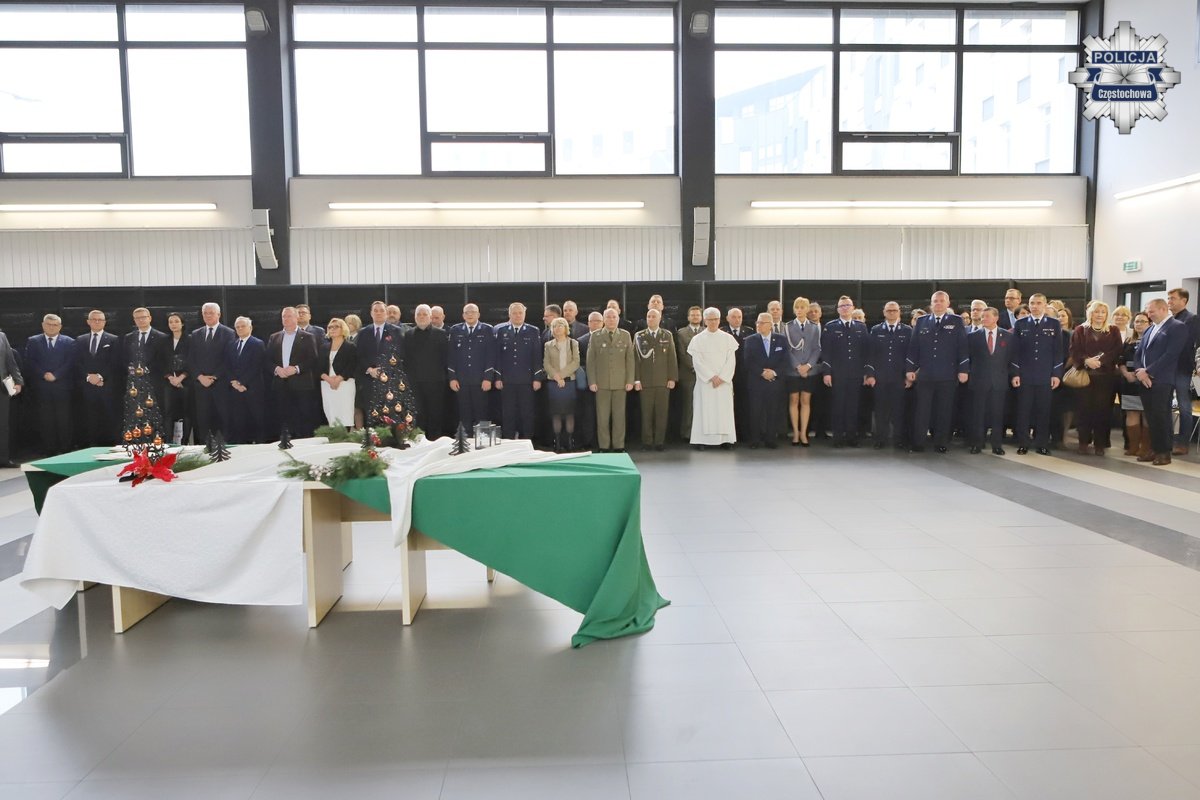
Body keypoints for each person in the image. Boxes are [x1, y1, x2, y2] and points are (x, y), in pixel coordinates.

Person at [906, 291, 969, 453]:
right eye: (935, 301)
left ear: (948, 303)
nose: (938, 303)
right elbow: (913, 347)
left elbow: (962, 347)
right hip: (925, 374)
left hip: (947, 374)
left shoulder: (956, 321)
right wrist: (910, 369)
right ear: (931, 303)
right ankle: (918, 442)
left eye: (941, 301)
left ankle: (941, 442)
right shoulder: (922, 321)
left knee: (944, 410)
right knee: (922, 410)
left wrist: (963, 370)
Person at [1135, 298, 1189, 465]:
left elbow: (1171, 354)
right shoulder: (1151, 328)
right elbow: (1139, 353)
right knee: (1151, 416)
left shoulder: (1177, 327)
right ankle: (1154, 449)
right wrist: (1139, 372)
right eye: (1148, 311)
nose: (1148, 314)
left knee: (1161, 416)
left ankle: (1164, 452)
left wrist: (1148, 371)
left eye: (1151, 311)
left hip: (1162, 379)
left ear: (1163, 309)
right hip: (1144, 379)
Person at [1010, 293, 1063, 455]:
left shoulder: (1054, 324)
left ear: (1045, 305)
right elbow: (1015, 352)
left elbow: (1058, 352)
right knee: (1023, 411)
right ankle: (1023, 443)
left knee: (1043, 411)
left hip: (1045, 375)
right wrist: (1015, 373)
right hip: (1025, 375)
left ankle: (1041, 443)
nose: (1035, 306)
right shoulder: (1021, 324)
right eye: (1032, 303)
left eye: (1039, 303)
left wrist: (1056, 374)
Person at [1069, 301, 1122, 456]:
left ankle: (1100, 444)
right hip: (1085, 376)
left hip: (1106, 377)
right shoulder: (1080, 330)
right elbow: (1074, 350)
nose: (1099, 315)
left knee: (1103, 411)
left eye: (1103, 312)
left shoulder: (1113, 330)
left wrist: (1100, 361)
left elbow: (1117, 350)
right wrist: (1086, 361)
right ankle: (1083, 442)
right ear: (1090, 313)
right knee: (1084, 410)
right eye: (1096, 311)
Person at [821, 296, 870, 447]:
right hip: (838, 373)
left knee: (853, 407)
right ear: (838, 309)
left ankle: (851, 437)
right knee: (838, 406)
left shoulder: (861, 327)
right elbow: (826, 352)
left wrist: (866, 372)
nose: (845, 308)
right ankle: (838, 438)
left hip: (855, 373)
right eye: (842, 306)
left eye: (847, 305)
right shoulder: (830, 326)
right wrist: (827, 373)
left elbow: (866, 352)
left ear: (853, 308)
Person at [688, 307, 738, 450]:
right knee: (704, 411)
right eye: (710, 319)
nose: (713, 322)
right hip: (706, 383)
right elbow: (697, 362)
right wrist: (711, 377)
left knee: (723, 411)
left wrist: (722, 378)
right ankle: (702, 441)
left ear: (719, 320)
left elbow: (731, 361)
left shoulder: (728, 339)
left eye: (716, 319)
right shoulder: (697, 340)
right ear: (705, 321)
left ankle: (725, 440)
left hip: (723, 383)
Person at [965, 308, 1013, 455]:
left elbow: (1011, 358)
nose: (983, 319)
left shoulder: (1007, 336)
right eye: (982, 316)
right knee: (978, 414)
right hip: (979, 381)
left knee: (997, 415)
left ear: (996, 318)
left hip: (999, 382)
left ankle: (996, 444)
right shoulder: (973, 336)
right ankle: (977, 444)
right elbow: (968, 358)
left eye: (987, 316)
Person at [27, 314, 76, 455]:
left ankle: (65, 448)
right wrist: (43, 374)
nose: (51, 327)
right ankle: (49, 449)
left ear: (60, 327)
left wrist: (56, 375)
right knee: (45, 419)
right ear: (43, 325)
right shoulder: (33, 341)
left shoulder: (69, 342)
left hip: (62, 386)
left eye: (55, 325)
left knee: (64, 418)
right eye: (48, 324)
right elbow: (30, 361)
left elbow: (71, 362)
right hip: (42, 386)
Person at [267, 306, 319, 440]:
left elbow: (312, 359)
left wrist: (296, 368)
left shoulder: (307, 337)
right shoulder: (274, 337)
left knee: (304, 417)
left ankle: (304, 442)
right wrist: (277, 369)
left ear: (296, 318)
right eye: (284, 316)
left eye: (289, 316)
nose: (286, 319)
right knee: (283, 416)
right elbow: (267, 360)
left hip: (302, 384)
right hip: (280, 384)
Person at [187, 302, 236, 443]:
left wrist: (214, 377)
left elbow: (229, 360)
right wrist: (200, 377)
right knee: (203, 421)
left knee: (224, 420)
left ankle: (224, 448)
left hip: (221, 385)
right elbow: (191, 359)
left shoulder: (229, 333)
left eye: (211, 313)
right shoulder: (196, 334)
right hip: (201, 386)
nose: (208, 316)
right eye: (205, 313)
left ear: (219, 314)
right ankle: (206, 448)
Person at [494, 302, 543, 440]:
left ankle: (527, 440)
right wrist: (498, 378)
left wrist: (537, 378)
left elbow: (537, 356)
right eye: (514, 313)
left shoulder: (533, 331)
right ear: (509, 315)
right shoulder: (502, 331)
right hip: (507, 380)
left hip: (526, 380)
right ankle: (509, 440)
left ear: (525, 314)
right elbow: (498, 357)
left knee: (527, 412)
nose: (518, 315)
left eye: (520, 313)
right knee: (508, 413)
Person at [865, 301, 911, 450]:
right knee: (880, 410)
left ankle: (898, 439)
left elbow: (910, 355)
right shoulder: (876, 330)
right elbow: (870, 354)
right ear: (884, 312)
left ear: (899, 312)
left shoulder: (907, 330)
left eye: (894, 310)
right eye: (889, 310)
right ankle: (880, 439)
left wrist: (908, 376)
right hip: (880, 377)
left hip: (899, 377)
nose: (892, 313)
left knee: (899, 410)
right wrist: (870, 374)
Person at [587, 308, 635, 452]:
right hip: (601, 383)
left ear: (618, 319)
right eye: (608, 317)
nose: (611, 320)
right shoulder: (596, 336)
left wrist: (630, 380)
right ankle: (604, 446)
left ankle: (619, 445)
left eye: (614, 317)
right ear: (604, 319)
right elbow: (591, 361)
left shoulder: (625, 335)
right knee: (602, 417)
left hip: (620, 383)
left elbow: (630, 359)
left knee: (619, 416)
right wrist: (592, 381)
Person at [742, 312, 788, 449]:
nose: (758, 325)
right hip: (756, 382)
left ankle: (770, 439)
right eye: (758, 322)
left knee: (773, 411)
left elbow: (785, 360)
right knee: (755, 412)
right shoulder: (750, 340)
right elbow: (748, 361)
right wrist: (762, 373)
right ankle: (755, 440)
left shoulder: (781, 340)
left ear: (770, 325)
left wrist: (774, 373)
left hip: (775, 382)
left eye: (762, 323)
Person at [75, 309, 121, 446]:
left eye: (100, 320)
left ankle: (108, 446)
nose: (97, 322)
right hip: (86, 386)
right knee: (88, 419)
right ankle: (90, 446)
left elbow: (115, 362)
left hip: (106, 387)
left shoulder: (114, 339)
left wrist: (101, 377)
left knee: (108, 418)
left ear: (105, 322)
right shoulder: (80, 340)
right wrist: (88, 377)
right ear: (88, 322)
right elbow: (77, 362)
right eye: (94, 319)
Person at [634, 308, 677, 451]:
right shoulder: (639, 336)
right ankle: (647, 441)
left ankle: (659, 442)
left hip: (662, 381)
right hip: (645, 381)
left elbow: (672, 358)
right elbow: (636, 359)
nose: (651, 319)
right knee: (646, 413)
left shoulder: (667, 335)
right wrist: (637, 379)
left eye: (653, 316)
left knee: (661, 413)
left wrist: (672, 378)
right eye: (648, 316)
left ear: (660, 319)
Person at [447, 303, 495, 430]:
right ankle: (466, 439)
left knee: (482, 413)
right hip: (461, 381)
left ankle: (482, 439)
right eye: (467, 312)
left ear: (478, 314)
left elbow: (491, 356)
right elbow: (451, 356)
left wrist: (488, 378)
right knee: (464, 414)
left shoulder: (487, 329)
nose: (470, 314)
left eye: (472, 312)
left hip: (481, 381)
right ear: (463, 315)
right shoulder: (455, 330)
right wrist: (452, 378)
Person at [357, 300, 405, 427]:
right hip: (369, 380)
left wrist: (385, 369)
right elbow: (359, 355)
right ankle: (372, 437)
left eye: (381, 310)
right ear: (371, 313)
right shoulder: (363, 332)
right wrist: (370, 369)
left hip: (390, 380)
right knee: (371, 415)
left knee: (390, 415)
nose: (378, 313)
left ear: (386, 313)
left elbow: (400, 354)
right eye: (375, 311)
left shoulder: (396, 331)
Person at [404, 304, 449, 438]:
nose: (422, 317)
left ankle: (435, 440)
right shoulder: (408, 335)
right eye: (419, 314)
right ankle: (419, 440)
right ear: (415, 317)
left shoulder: (441, 334)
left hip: (436, 382)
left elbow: (446, 358)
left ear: (430, 317)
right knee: (418, 414)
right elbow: (406, 359)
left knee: (436, 414)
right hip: (415, 383)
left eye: (424, 314)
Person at [785, 297, 822, 447]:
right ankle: (795, 432)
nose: (799, 310)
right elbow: (787, 350)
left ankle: (803, 433)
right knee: (794, 401)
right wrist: (797, 367)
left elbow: (817, 348)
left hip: (809, 371)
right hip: (793, 371)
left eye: (802, 307)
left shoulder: (814, 327)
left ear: (807, 309)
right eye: (797, 307)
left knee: (806, 401)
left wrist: (808, 366)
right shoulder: (787, 327)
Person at [1166, 288, 1198, 454]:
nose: (1169, 301)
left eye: (1173, 298)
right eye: (1168, 298)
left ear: (1184, 301)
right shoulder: (1169, 319)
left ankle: (1183, 442)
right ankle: (1166, 439)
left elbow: (1188, 343)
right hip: (1166, 368)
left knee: (1184, 405)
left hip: (1182, 368)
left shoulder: (1191, 319)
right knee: (1165, 404)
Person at [225, 316, 266, 444]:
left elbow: (256, 366)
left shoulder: (258, 344)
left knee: (257, 421)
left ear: (250, 328)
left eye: (243, 326)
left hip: (252, 389)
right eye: (237, 327)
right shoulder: (231, 344)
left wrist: (242, 382)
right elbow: (227, 366)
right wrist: (234, 382)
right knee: (239, 422)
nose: (240, 329)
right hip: (235, 390)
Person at [543, 317, 581, 452]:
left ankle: (569, 441)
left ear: (566, 328)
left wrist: (562, 376)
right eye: (554, 326)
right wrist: (557, 377)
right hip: (553, 383)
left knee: (569, 412)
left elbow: (576, 362)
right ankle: (557, 442)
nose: (557, 328)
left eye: (560, 325)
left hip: (569, 382)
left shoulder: (573, 343)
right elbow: (546, 363)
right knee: (556, 413)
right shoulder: (548, 345)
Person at [1118, 312, 1151, 457]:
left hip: (1146, 381)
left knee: (1146, 414)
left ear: (1150, 324)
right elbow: (1121, 361)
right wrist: (1126, 373)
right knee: (1131, 413)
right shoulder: (1128, 341)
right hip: (1129, 382)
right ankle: (1133, 446)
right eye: (1136, 321)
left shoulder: (1153, 340)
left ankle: (1145, 447)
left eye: (1143, 321)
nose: (1139, 324)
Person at [122, 307, 168, 409]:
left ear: (150, 318)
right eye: (137, 318)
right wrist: (131, 369)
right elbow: (125, 358)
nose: (141, 320)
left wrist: (148, 370)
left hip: (154, 382)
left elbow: (164, 360)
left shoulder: (162, 337)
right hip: (134, 383)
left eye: (143, 317)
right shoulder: (128, 337)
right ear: (134, 320)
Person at [720, 307, 754, 440]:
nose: (737, 320)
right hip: (726, 374)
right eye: (733, 317)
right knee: (727, 405)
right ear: (727, 318)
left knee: (743, 404)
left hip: (744, 375)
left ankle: (743, 433)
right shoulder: (722, 332)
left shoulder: (749, 332)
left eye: (739, 317)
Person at [319, 318, 358, 429]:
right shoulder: (323, 347)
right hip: (327, 384)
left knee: (345, 411)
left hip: (345, 384)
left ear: (343, 329)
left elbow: (352, 365)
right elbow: (318, 367)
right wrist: (328, 379)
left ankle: (345, 435)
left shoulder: (350, 347)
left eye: (336, 326)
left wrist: (339, 379)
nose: (332, 329)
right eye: (330, 327)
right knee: (331, 411)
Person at [575, 311, 604, 450]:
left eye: (598, 321)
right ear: (588, 323)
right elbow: (580, 363)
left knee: (603, 414)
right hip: (588, 384)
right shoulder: (581, 341)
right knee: (588, 413)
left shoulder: (608, 338)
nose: (595, 323)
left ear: (602, 323)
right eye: (592, 321)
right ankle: (588, 441)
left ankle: (602, 442)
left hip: (605, 382)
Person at [162, 312, 192, 444]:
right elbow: (160, 361)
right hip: (169, 382)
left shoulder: (190, 339)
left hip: (186, 381)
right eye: (170, 322)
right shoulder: (164, 340)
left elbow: (193, 360)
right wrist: (170, 378)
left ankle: (185, 442)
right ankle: (168, 442)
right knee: (168, 412)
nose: (173, 324)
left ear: (182, 323)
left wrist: (181, 378)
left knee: (187, 412)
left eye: (176, 321)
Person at [675, 306, 703, 441]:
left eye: (698, 315)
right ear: (688, 317)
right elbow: (682, 353)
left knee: (702, 405)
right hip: (688, 374)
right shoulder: (681, 333)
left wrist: (703, 369)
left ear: (701, 317)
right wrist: (695, 367)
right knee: (688, 405)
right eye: (693, 315)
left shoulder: (706, 331)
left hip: (705, 375)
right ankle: (687, 434)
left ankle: (701, 433)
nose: (695, 317)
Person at [0, 330, 24, 467]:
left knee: (3, 425)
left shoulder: (2, 336)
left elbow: (10, 360)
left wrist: (18, 381)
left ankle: (3, 459)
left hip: (2, 388)